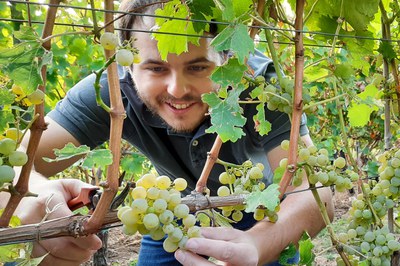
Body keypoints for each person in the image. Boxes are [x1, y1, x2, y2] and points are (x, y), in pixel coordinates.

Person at [8, 0, 334, 265]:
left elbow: (313, 191)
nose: (177, 90)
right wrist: (35, 193)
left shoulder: (262, 88)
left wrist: (256, 245)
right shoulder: (109, 92)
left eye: (197, 67)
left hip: (263, 214)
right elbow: (13, 166)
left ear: (227, 58)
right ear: (128, 64)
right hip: (173, 211)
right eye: (156, 68)